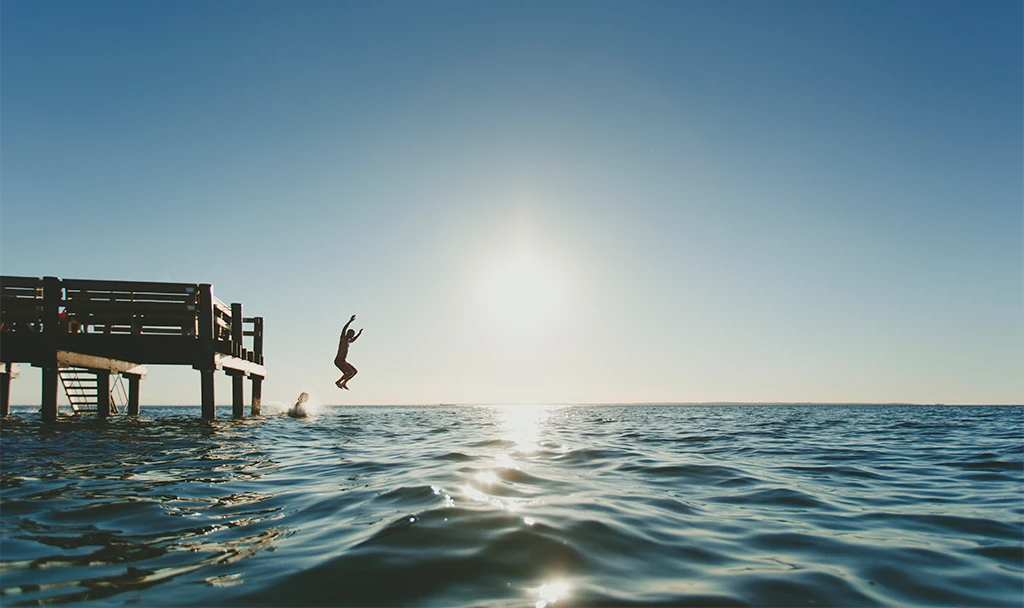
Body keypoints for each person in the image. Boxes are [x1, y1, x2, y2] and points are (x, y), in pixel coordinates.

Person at [335, 314, 362, 390]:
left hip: (343, 361)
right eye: (352, 334)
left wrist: (359, 334)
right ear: (348, 333)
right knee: (350, 372)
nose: (352, 336)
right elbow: (344, 328)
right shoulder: (343, 338)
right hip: (339, 360)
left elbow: (353, 340)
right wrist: (350, 321)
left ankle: (343, 383)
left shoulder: (348, 341)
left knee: (354, 371)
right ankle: (339, 382)